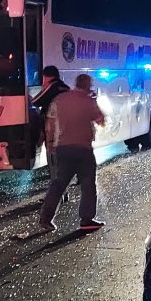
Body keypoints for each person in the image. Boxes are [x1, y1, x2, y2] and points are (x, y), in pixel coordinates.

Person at [39, 74, 106, 231]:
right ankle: (86, 219)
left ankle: (46, 218)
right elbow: (101, 121)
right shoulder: (88, 101)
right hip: (83, 149)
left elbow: (50, 122)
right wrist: (93, 101)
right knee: (88, 185)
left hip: (63, 148)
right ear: (88, 85)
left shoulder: (60, 99)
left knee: (59, 184)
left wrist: (51, 143)